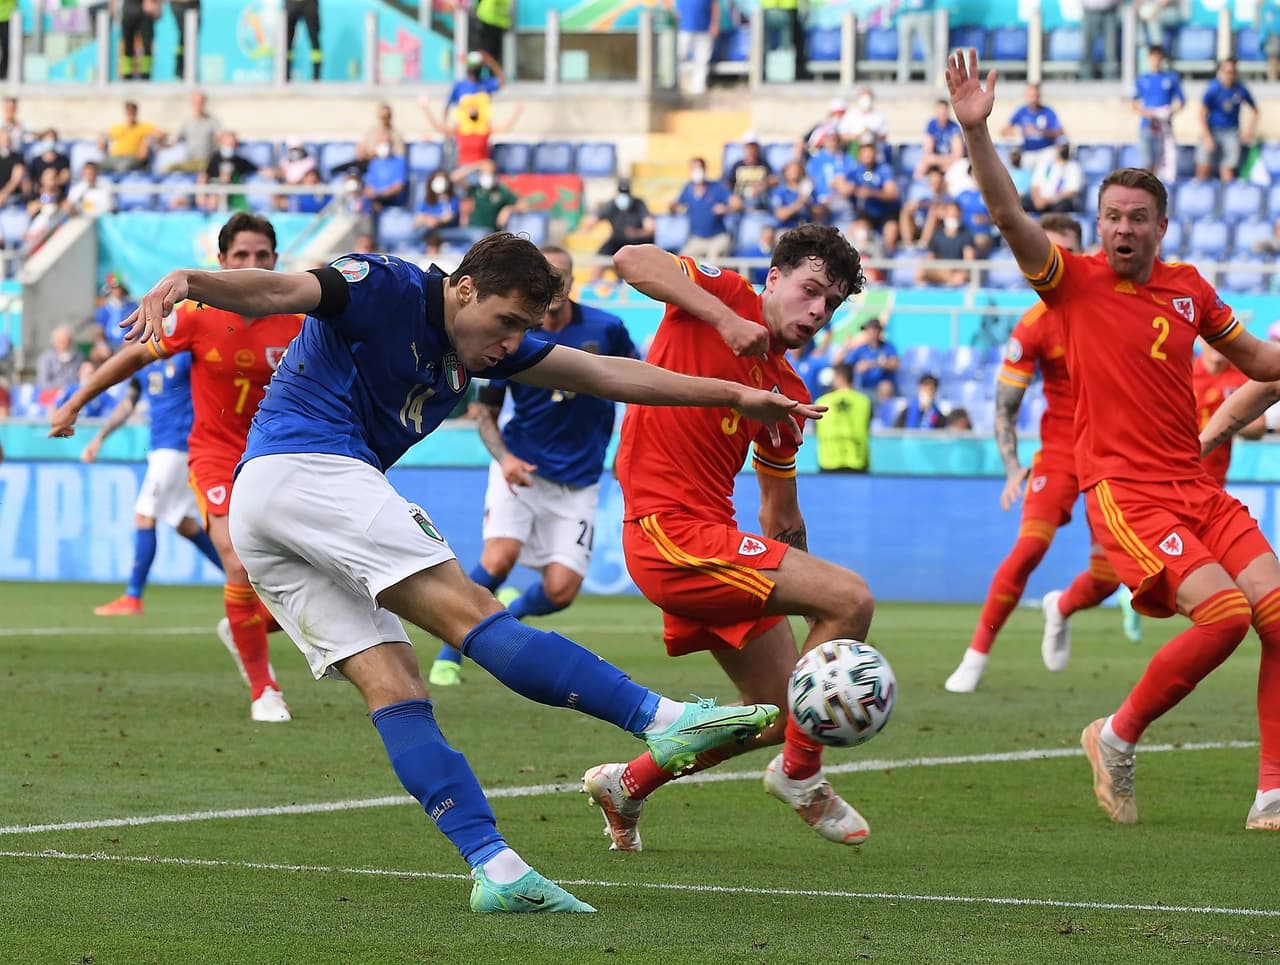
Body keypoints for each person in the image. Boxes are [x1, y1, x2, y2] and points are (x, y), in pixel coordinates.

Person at [115, 231, 812, 911]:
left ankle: (496, 868)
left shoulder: (478, 341)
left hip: (265, 508)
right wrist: (191, 281)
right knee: (472, 610)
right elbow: (279, 290)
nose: (511, 342)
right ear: (465, 288)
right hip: (308, 467)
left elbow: (603, 374)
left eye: (524, 328)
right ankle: (660, 718)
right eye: (506, 322)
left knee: (395, 684)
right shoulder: (384, 286)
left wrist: (731, 395)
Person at [947, 47, 1280, 832]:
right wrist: (977, 133)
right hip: (1127, 492)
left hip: (1197, 488)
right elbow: (1008, 216)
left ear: (1162, 226)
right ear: (1100, 226)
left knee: (1277, 612)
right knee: (1224, 616)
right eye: (1114, 217)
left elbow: (1264, 367)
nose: (1124, 228)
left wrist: (1232, 412)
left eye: (1138, 217)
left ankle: (1272, 789)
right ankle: (1117, 734)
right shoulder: (1073, 281)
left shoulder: (1190, 290)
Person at [582, 224, 873, 852]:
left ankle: (628, 783)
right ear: (775, 278)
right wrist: (724, 319)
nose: (817, 311)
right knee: (852, 598)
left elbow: (779, 511)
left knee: (778, 711)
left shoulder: (789, 394)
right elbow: (631, 258)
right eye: (810, 290)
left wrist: (811, 597)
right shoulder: (725, 296)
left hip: (714, 541)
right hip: (667, 532)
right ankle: (801, 776)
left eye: (831, 304)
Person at [49, 213, 304, 724]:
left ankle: (246, 626)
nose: (252, 263)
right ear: (222, 261)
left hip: (279, 459)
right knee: (236, 563)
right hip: (215, 455)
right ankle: (264, 690)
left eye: (261, 256)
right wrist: (75, 401)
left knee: (311, 583)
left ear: (275, 261)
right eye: (241, 255)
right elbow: (133, 359)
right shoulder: (196, 315)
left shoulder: (301, 322)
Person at [429, 246, 638, 686]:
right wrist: (505, 459)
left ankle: (507, 613)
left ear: (573, 280)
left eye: (562, 276)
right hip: (521, 467)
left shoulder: (607, 328)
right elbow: (485, 413)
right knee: (498, 560)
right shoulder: (512, 335)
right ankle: (450, 654)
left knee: (561, 591)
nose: (554, 287)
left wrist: (628, 448)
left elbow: (635, 386)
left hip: (580, 477)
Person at [945, 214, 1135, 694]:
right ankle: (975, 656)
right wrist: (1012, 467)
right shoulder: (1032, 326)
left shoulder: (1116, 305)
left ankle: (1060, 606)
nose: (1049, 261)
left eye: (1060, 251)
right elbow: (1005, 408)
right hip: (1061, 453)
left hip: (1115, 456)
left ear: (1081, 255)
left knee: (1109, 578)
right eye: (1042, 250)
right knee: (1029, 548)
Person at [84, 351, 225, 616]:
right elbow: (128, 404)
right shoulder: (145, 360)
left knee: (144, 515)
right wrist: (99, 438)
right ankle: (241, 581)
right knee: (185, 524)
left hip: (178, 447)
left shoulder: (186, 355)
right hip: (164, 448)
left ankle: (133, 597)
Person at [1194, 341, 1264, 487]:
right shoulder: (1184, 374)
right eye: (1211, 338)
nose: (1218, 344)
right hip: (1179, 470)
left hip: (1214, 478)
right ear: (1200, 339)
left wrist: (1228, 418)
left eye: (1223, 339)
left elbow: (1258, 428)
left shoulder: (1241, 379)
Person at [1197, 59, 1258, 183]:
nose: (1230, 75)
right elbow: (1202, 113)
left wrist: (1249, 130)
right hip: (1213, 130)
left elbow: (1255, 110)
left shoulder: (1240, 89)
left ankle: (1226, 193)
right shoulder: (1213, 88)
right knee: (1203, 166)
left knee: (1228, 169)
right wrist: (1207, 136)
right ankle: (1201, 193)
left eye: (1232, 72)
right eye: (1227, 71)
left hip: (1231, 132)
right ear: (1221, 72)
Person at [1132, 45, 1184, 183]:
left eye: (1158, 58)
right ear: (1149, 59)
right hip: (1147, 125)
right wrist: (1145, 112)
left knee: (1163, 161)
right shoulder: (1142, 79)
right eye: (1153, 58)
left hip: (1164, 127)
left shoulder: (1171, 78)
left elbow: (1181, 102)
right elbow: (1133, 103)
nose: (1156, 61)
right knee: (1147, 161)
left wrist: (1170, 112)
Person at [813, 361, 870, 472]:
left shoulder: (821, 402)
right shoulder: (864, 402)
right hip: (857, 462)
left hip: (828, 462)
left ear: (838, 377)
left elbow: (816, 429)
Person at [1000, 83, 1063, 170]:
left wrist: (1040, 131)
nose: (1033, 99)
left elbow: (1059, 132)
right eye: (1030, 96)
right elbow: (1004, 130)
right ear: (1026, 96)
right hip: (1028, 152)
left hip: (1046, 151)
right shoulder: (1021, 112)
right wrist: (1015, 133)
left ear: (1039, 96)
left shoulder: (1048, 111)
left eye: (1035, 96)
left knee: (1049, 162)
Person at [846, 317, 898, 400]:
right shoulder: (861, 349)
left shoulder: (888, 347)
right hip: (863, 385)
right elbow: (846, 365)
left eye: (874, 330)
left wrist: (872, 364)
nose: (871, 333)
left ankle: (884, 408)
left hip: (880, 387)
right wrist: (847, 348)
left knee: (885, 386)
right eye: (868, 330)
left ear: (879, 331)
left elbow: (895, 364)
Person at [675, 0, 718, 96]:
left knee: (702, 59)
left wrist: (714, 24)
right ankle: (676, 84)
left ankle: (698, 87)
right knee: (679, 56)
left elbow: (714, 5)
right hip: (683, 27)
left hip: (704, 27)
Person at [116, 0, 160, 81]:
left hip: (145, 12)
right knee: (128, 46)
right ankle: (127, 75)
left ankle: (146, 75)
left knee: (147, 45)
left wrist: (156, 6)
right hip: (129, 11)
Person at [285, 0, 322, 81]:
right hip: (291, 4)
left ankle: (316, 77)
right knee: (286, 42)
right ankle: (286, 75)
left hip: (309, 3)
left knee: (314, 39)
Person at [170, 0, 201, 79]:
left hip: (193, 4)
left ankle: (190, 70)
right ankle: (180, 69)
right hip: (178, 4)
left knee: (192, 38)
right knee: (184, 36)